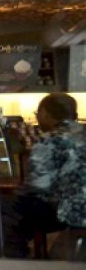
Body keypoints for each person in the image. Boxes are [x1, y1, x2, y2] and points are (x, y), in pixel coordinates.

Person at [21, 93, 85, 259]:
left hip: (73, 213)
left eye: (38, 114)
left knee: (2, 208)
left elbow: (38, 185)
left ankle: (18, 264)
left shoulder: (50, 140)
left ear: (45, 113)